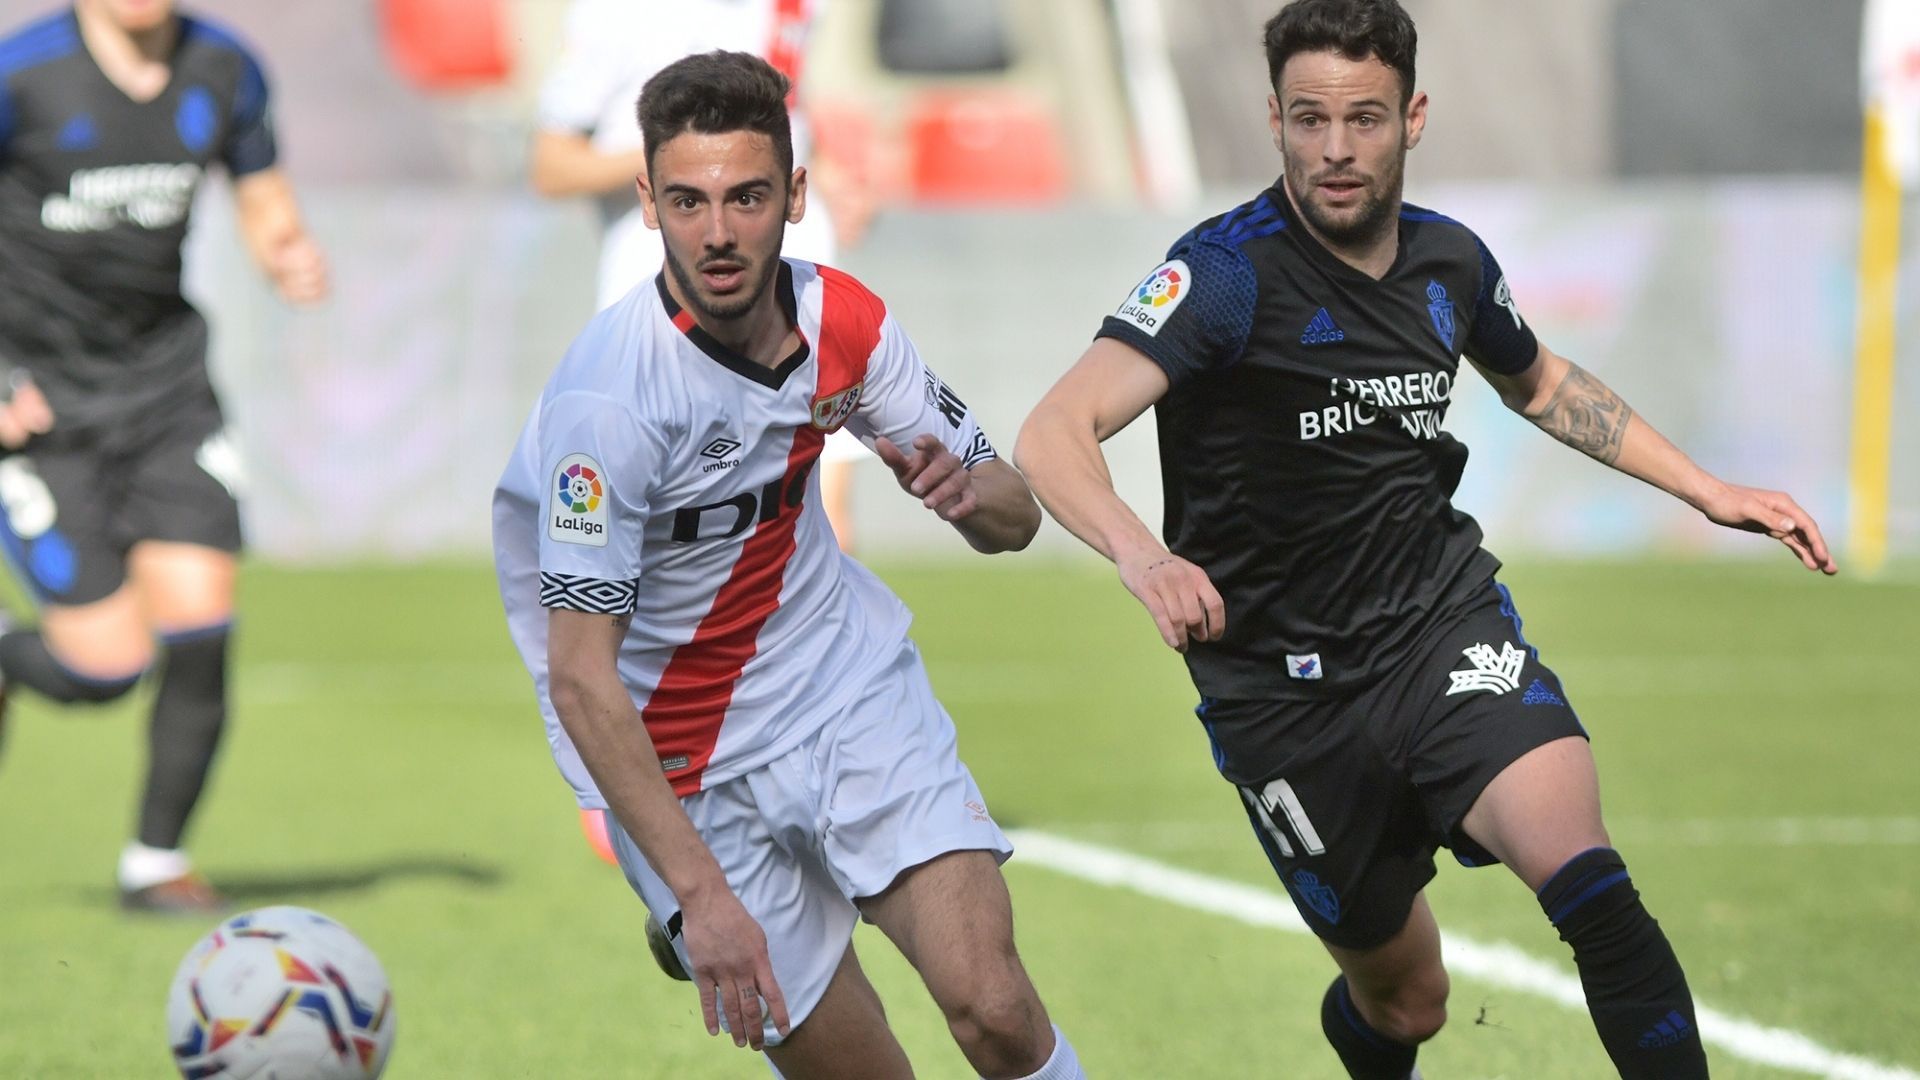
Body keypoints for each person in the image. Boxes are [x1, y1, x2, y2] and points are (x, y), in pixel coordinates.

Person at [1015, 1, 1835, 1077]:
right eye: (1309, 119)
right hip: (1280, 695)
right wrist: (1144, 554)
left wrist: (1706, 490)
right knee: (1408, 1002)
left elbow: (1539, 382)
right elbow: (1054, 429)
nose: (1335, 148)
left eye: (1364, 118)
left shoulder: (1452, 264)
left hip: (1440, 631)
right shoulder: (1222, 276)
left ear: (1413, 118)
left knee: (1590, 883)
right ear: (1273, 120)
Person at [493, 51, 1085, 1079]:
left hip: (843, 688)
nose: (719, 232)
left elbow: (1015, 516)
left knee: (994, 1008)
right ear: (647, 204)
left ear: (795, 196)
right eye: (688, 201)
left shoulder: (844, 321)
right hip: (683, 762)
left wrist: (964, 493)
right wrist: (699, 897)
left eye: (747, 197)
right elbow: (582, 678)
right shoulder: (610, 403)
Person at [0, 0, 328, 913]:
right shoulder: (22, 75)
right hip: (40, 408)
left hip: (167, 394)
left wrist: (287, 251)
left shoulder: (225, 67)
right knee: (105, 667)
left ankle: (155, 864)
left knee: (200, 620)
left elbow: (263, 195)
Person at [531, 0, 871, 865]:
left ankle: (804, 763)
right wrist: (698, 170)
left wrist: (823, 174)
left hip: (796, 279)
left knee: (823, 524)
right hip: (662, 301)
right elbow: (552, 163)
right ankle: (634, 768)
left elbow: (795, 112)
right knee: (659, 548)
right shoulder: (619, 15)